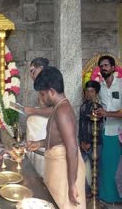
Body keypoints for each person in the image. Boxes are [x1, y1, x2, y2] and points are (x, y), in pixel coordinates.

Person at [26, 67, 86, 208]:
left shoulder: (63, 111)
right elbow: (58, 139)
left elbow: (71, 148)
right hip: (59, 168)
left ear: (52, 92)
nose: (41, 98)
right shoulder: (58, 108)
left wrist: (72, 184)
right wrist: (39, 143)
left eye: (42, 94)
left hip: (66, 174)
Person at [93, 55, 122, 203]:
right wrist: (99, 113)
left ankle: (118, 198)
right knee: (106, 166)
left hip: (119, 133)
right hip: (105, 132)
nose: (103, 68)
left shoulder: (121, 84)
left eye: (106, 65)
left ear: (113, 67)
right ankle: (106, 197)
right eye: (101, 66)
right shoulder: (101, 88)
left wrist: (107, 113)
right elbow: (101, 109)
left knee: (117, 167)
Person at [78, 80, 103, 198]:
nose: (89, 94)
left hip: (95, 144)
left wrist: (91, 143)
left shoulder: (98, 108)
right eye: (87, 91)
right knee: (82, 168)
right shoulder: (83, 106)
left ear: (96, 93)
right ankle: (86, 192)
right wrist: (81, 142)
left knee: (95, 170)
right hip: (83, 143)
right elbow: (81, 126)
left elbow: (98, 127)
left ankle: (96, 196)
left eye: (91, 91)